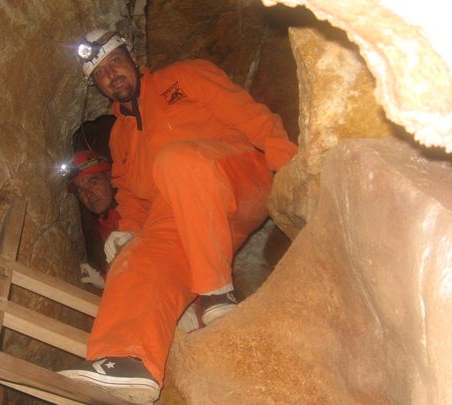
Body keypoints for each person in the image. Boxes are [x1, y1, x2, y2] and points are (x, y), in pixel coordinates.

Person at [60, 30, 298, 403]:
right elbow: (133, 198)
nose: (112, 74)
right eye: (101, 73)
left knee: (177, 161)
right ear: (97, 86)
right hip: (189, 219)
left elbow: (254, 119)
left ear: (133, 58)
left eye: (115, 62)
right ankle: (128, 362)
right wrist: (128, 234)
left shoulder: (184, 77)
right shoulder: (121, 138)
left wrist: (292, 176)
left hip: (238, 178)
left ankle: (215, 293)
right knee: (134, 259)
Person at [65, 150, 120, 287]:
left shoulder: (135, 210)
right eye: (80, 190)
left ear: (110, 178)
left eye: (93, 183)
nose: (88, 194)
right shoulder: (104, 221)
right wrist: (105, 280)